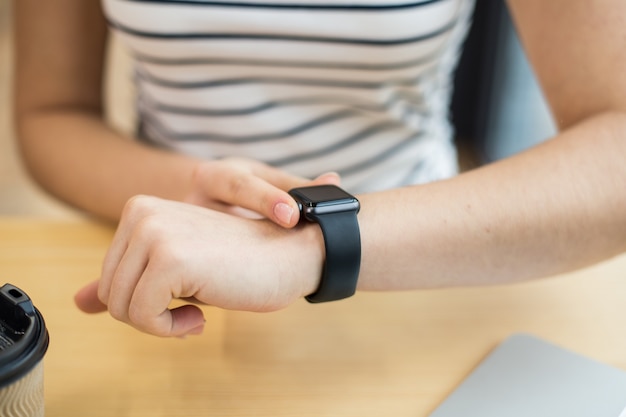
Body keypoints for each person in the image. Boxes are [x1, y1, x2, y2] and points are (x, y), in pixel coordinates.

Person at [15, 1, 626, 337]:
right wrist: (203, 196)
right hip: (166, 264)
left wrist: (307, 248)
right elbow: (51, 113)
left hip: (432, 262)